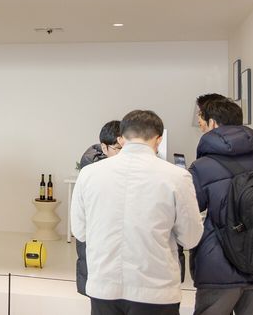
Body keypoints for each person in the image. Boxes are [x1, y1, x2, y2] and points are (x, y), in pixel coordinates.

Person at [71, 110, 203, 315]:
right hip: (156, 290)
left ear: (121, 138)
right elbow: (191, 238)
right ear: (158, 139)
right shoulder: (177, 177)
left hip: (104, 286)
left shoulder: (89, 174)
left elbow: (79, 231)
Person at [189, 99, 253, 315]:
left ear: (213, 123)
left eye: (202, 123)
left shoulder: (202, 167)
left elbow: (188, 211)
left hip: (218, 267)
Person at [76, 120, 122, 295]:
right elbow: (79, 221)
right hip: (96, 238)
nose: (123, 154)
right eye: (118, 149)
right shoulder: (93, 170)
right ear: (104, 147)